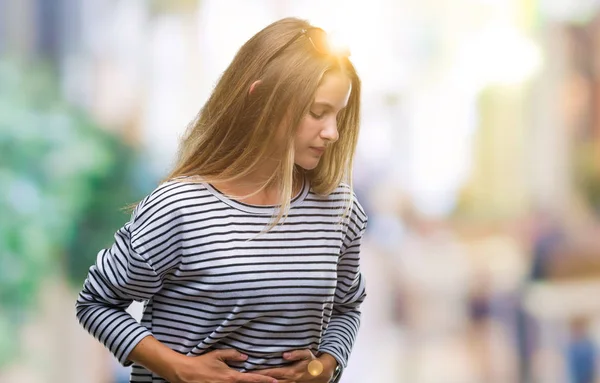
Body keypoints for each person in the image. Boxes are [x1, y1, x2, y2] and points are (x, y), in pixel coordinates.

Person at [75, 17, 367, 383]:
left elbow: (347, 307)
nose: (332, 132)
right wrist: (179, 369)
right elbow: (96, 304)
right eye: (317, 112)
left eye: (338, 114)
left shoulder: (339, 208)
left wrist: (325, 365)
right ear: (261, 98)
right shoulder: (179, 208)